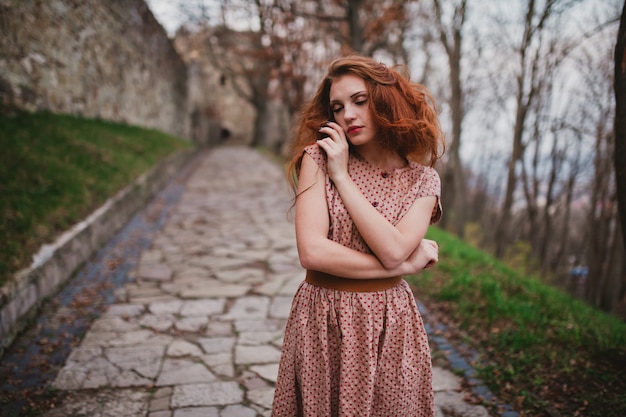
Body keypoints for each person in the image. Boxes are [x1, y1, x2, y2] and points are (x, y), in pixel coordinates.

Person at [271, 54, 444, 417]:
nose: (347, 114)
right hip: (323, 320)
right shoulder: (317, 160)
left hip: (391, 327)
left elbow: (394, 249)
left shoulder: (423, 181)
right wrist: (403, 269)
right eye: (337, 107)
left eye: (359, 101)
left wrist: (344, 180)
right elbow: (313, 253)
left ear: (385, 101)